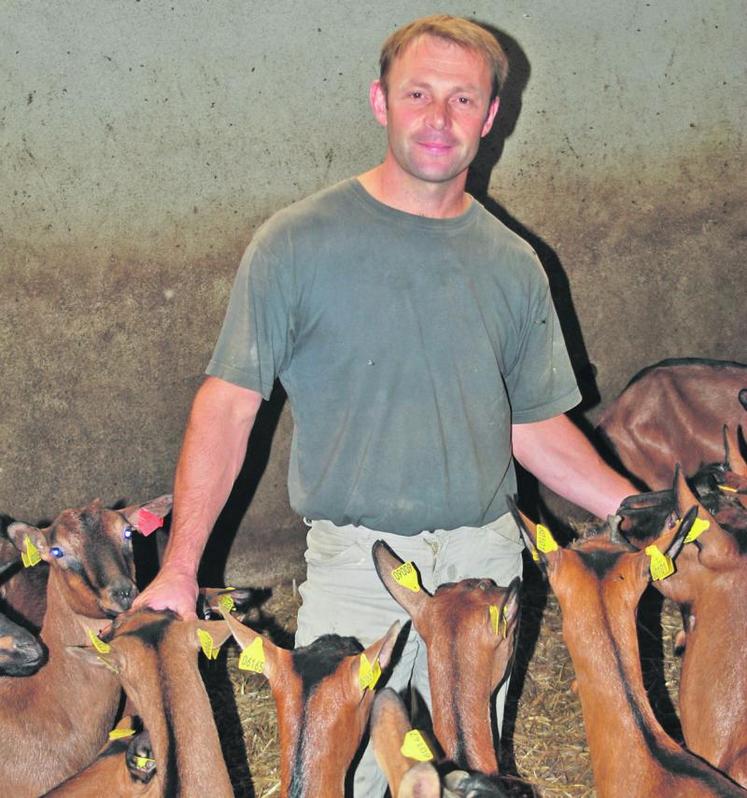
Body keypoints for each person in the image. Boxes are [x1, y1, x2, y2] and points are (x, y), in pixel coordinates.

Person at [134, 14, 636, 794]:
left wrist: (644, 511)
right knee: (354, 778)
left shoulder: (511, 265)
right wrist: (179, 566)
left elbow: (532, 424)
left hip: (483, 568)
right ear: (380, 102)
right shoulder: (296, 243)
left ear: (491, 117)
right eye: (418, 94)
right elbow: (228, 406)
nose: (439, 120)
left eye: (462, 100)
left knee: (471, 773)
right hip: (356, 569)